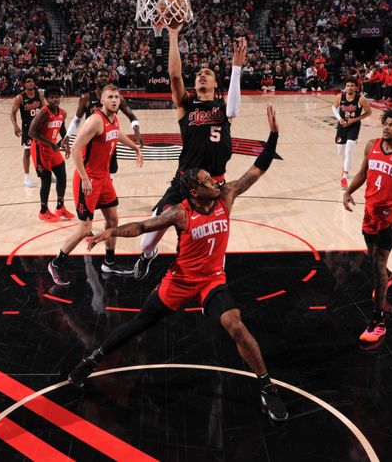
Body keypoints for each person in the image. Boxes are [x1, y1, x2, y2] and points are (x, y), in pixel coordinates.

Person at [68, 106, 287, 422]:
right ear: (195, 191)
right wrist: (111, 232)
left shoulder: (226, 195)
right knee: (138, 324)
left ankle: (268, 388)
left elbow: (257, 169)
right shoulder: (180, 212)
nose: (214, 180)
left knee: (236, 325)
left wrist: (274, 135)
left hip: (212, 279)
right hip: (181, 280)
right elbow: (143, 227)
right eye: (206, 180)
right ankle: (91, 360)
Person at [132, 24, 245, 282]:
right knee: (146, 244)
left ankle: (213, 287)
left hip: (213, 187)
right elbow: (174, 76)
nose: (202, 76)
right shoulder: (187, 105)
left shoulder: (223, 107)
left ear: (216, 83)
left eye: (208, 73)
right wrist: (172, 35)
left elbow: (235, 110)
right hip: (182, 183)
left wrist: (236, 69)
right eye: (198, 74)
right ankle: (148, 257)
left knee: (216, 253)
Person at [47, 85, 144, 285]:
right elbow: (75, 149)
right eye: (110, 97)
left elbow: (115, 134)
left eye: (117, 97)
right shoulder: (95, 120)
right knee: (85, 228)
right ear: (102, 100)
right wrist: (84, 178)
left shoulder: (113, 118)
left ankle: (109, 262)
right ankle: (56, 263)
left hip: (104, 180)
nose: (115, 100)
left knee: (113, 220)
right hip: (88, 179)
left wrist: (135, 146)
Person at [342, 109, 392, 346]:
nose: (387, 127)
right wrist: (348, 192)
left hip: (391, 215)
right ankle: (388, 277)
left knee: (378, 260)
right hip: (370, 212)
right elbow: (363, 173)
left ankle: (378, 321)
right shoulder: (371, 145)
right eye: (385, 123)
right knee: (373, 257)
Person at [66, 68, 144, 178]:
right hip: (92, 142)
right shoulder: (86, 97)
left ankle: (105, 188)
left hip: (109, 140)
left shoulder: (118, 99)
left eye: (105, 76)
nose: (103, 78)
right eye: (100, 76)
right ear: (95, 79)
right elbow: (77, 119)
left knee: (111, 171)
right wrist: (68, 135)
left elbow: (131, 117)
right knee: (90, 171)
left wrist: (137, 132)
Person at [28, 86, 74, 222]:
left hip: (51, 148)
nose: (55, 99)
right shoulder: (43, 113)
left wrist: (66, 143)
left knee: (62, 175)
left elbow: (62, 129)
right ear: (47, 99)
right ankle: (43, 211)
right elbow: (32, 133)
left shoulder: (62, 113)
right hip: (39, 148)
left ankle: (60, 207)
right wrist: (50, 143)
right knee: (46, 180)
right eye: (52, 97)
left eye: (57, 97)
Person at [332, 79, 372, 189]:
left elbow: (369, 112)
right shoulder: (340, 97)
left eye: (352, 85)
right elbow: (334, 107)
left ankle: (344, 175)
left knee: (349, 146)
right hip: (342, 125)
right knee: (340, 151)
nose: (349, 87)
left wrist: (355, 120)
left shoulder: (361, 99)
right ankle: (347, 165)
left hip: (354, 126)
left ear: (356, 87)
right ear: (345, 86)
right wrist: (339, 118)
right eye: (348, 85)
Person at [10, 77, 46, 188]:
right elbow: (12, 113)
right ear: (24, 84)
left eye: (31, 81)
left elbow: (45, 109)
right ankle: (26, 176)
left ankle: (45, 173)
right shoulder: (20, 97)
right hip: (27, 128)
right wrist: (15, 126)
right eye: (28, 82)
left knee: (44, 150)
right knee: (27, 152)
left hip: (39, 126)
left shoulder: (39, 94)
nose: (30, 83)